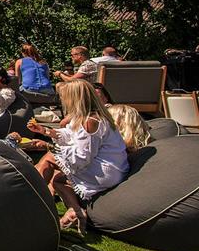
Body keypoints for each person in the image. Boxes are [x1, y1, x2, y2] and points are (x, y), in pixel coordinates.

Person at [26, 81, 130, 233]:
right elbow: (71, 135)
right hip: (110, 166)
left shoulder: (91, 121)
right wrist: (45, 131)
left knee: (49, 158)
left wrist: (49, 146)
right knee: (58, 180)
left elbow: (82, 158)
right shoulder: (88, 116)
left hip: (106, 170)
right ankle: (76, 211)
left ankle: (32, 204)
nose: (63, 100)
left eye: (65, 97)